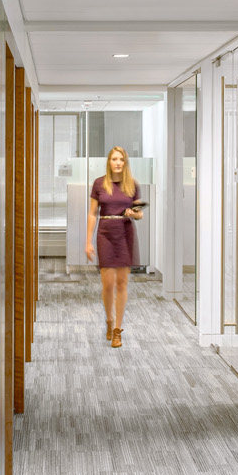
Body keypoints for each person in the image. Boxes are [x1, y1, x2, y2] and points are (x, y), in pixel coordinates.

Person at [86, 146, 143, 348]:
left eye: (121, 159)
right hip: (106, 234)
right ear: (109, 162)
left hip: (125, 233)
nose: (118, 162)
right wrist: (88, 241)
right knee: (108, 284)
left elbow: (139, 212)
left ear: (125, 162)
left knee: (122, 284)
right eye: (114, 159)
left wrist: (134, 214)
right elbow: (92, 213)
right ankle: (109, 320)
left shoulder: (132, 184)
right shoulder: (99, 183)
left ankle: (118, 329)